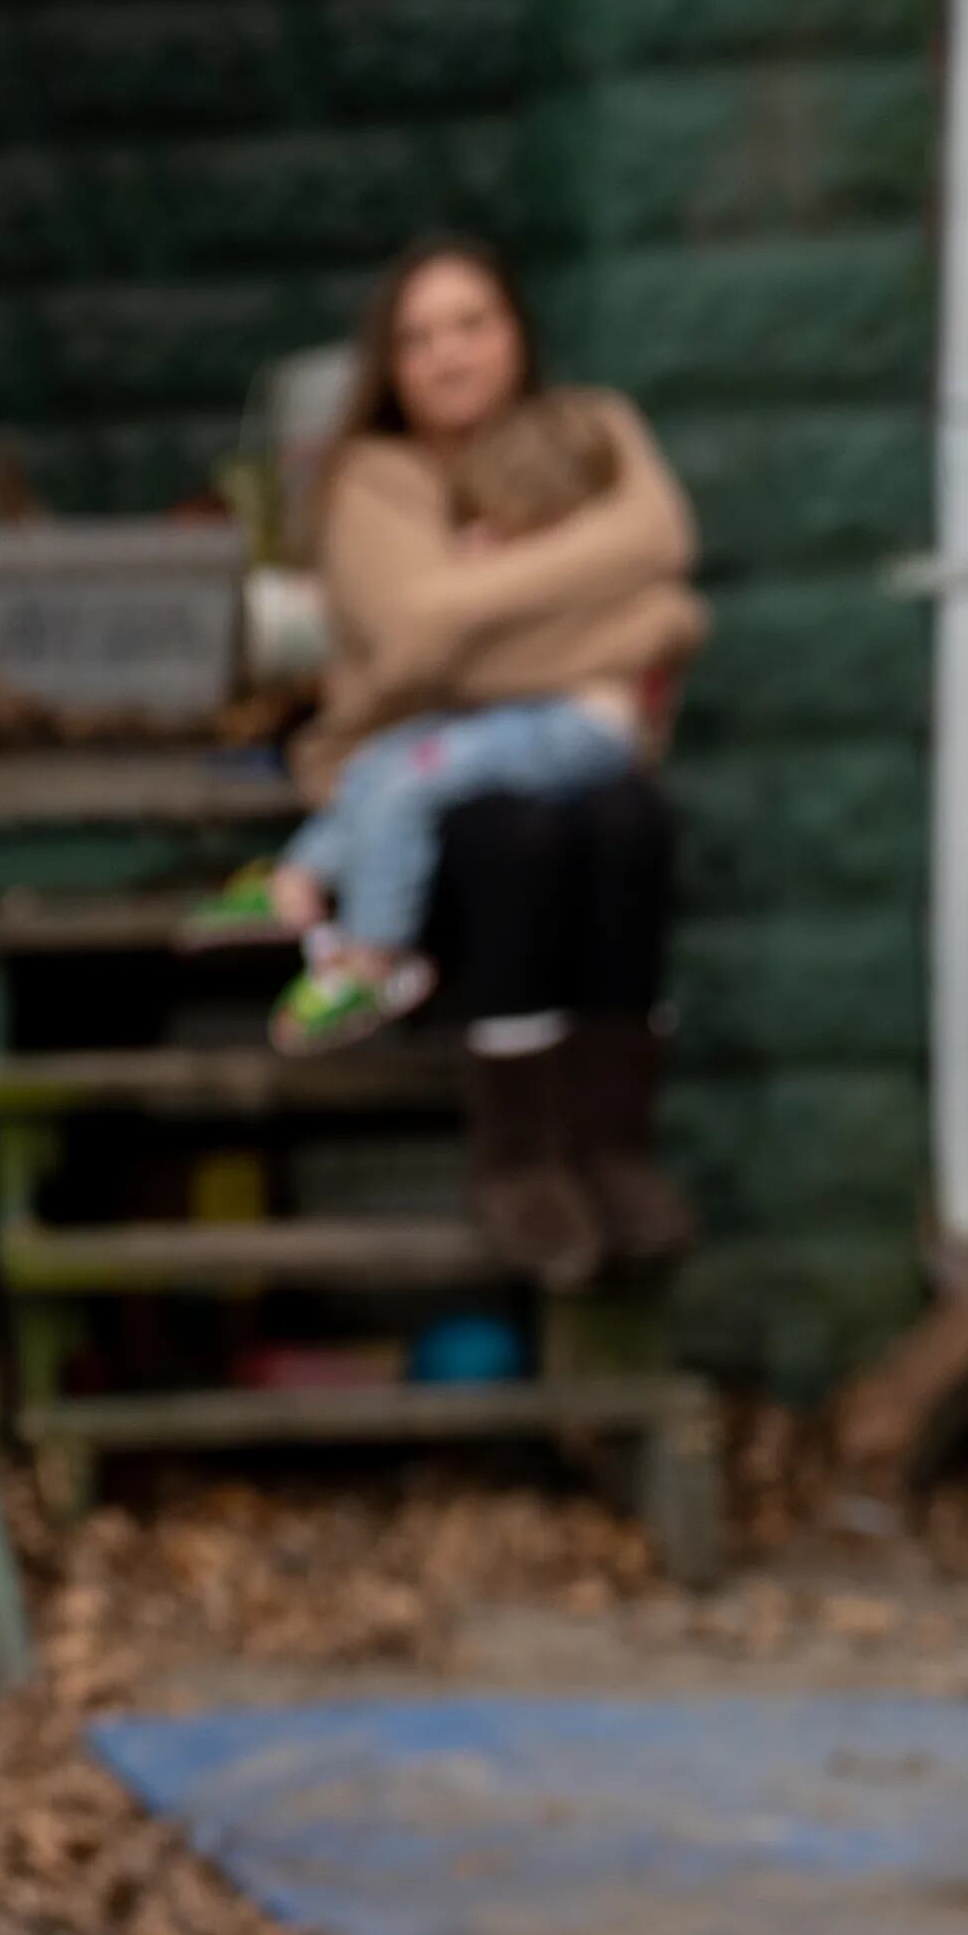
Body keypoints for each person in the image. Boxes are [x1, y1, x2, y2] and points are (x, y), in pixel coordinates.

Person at [282, 235, 706, 1285]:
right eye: (419, 336)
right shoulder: (372, 479)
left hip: (579, 764)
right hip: (405, 786)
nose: (450, 354)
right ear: (390, 361)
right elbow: (418, 641)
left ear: (516, 330)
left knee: (627, 821)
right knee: (512, 832)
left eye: (472, 322)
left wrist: (488, 611)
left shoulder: (593, 429)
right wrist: (620, 614)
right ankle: (517, 1159)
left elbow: (666, 542)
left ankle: (612, 1148)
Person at [256, 389, 701, 1059]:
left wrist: (472, 611)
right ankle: (303, 874)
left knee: (417, 776)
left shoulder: (580, 542)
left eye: (494, 529)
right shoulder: (377, 480)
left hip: (578, 728)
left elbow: (666, 620)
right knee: (391, 759)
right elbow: (423, 645)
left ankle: (374, 960)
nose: (471, 545)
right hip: (523, 724)